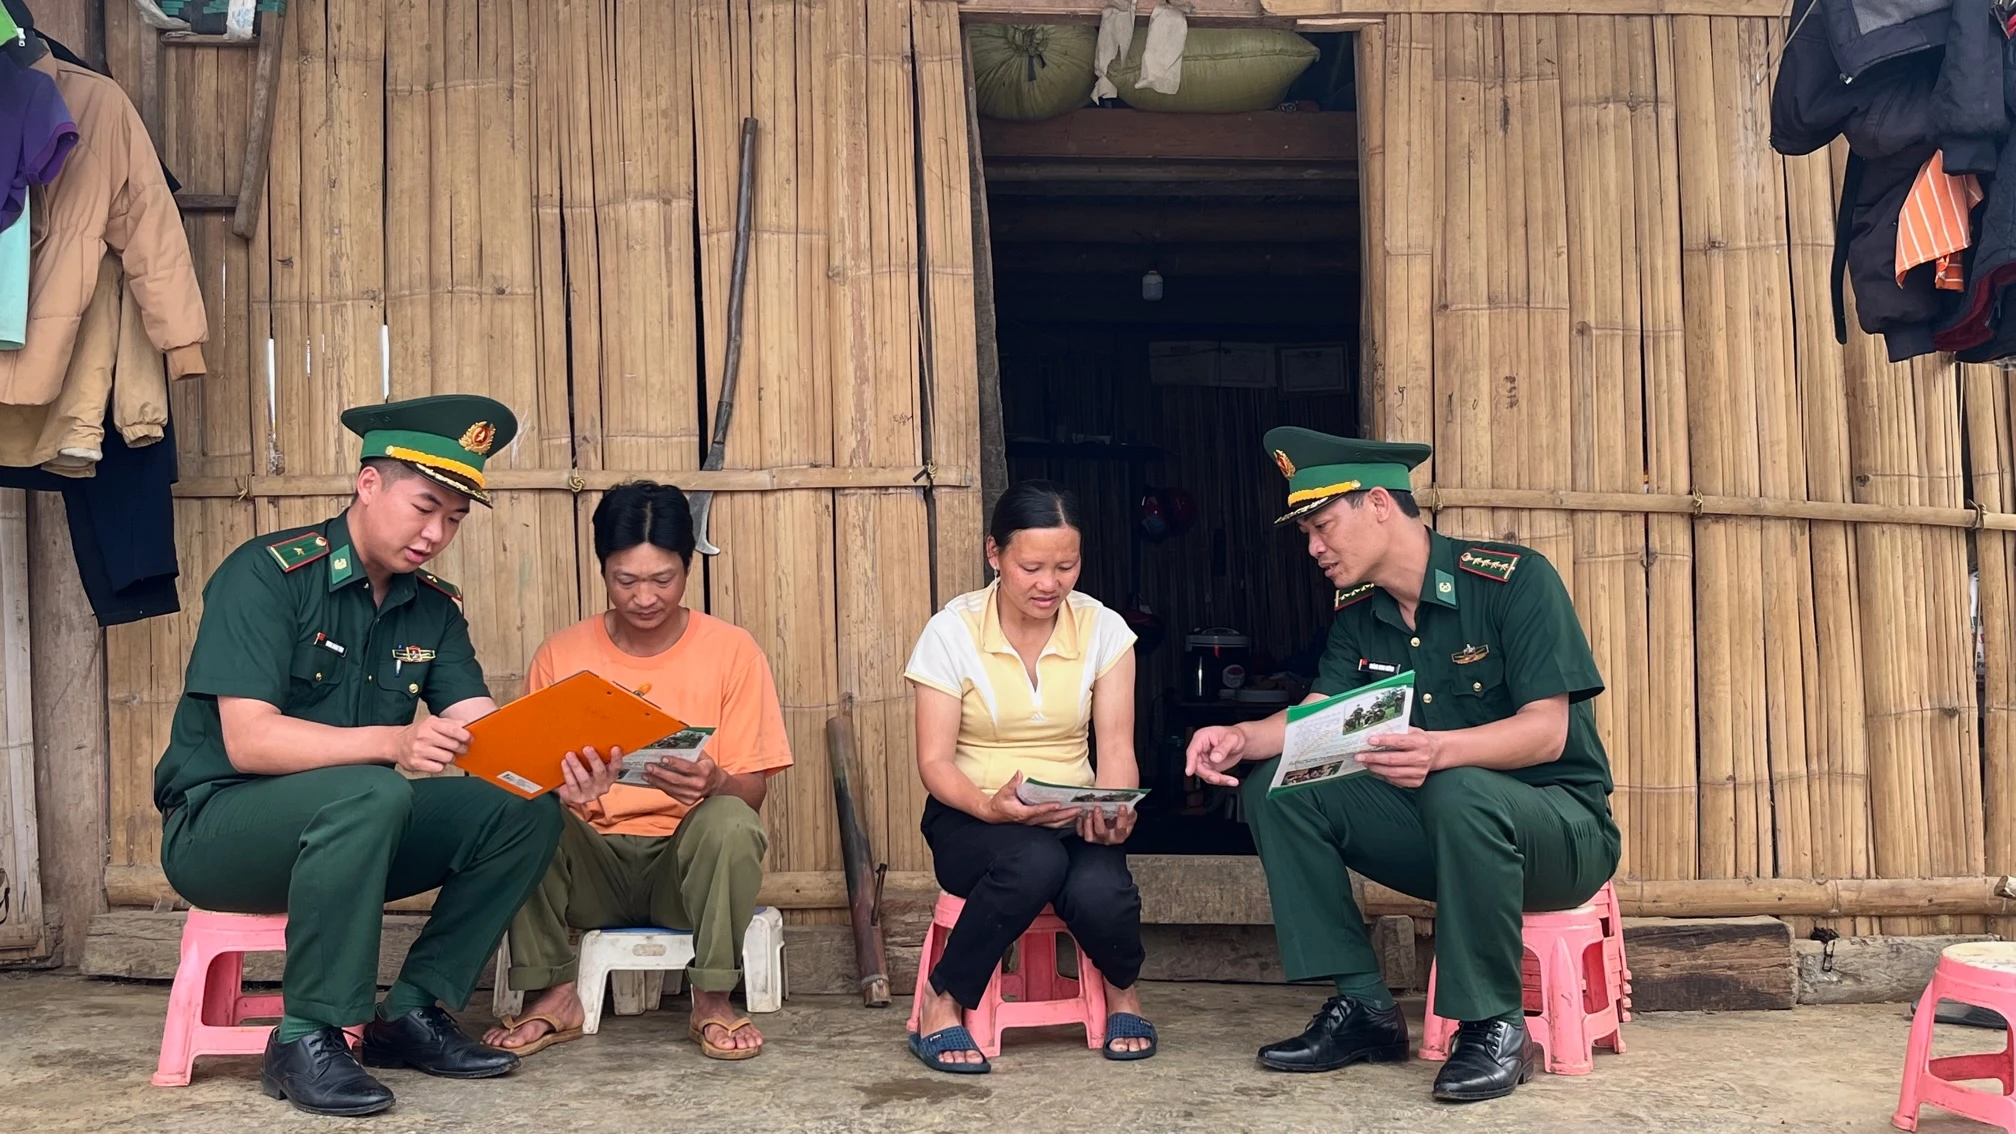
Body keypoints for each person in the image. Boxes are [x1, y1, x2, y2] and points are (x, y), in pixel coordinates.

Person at [154, 395, 622, 1118]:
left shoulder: (432, 606)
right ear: (368, 485)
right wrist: (394, 744)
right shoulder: (267, 575)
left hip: (357, 832)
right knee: (374, 790)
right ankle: (309, 1034)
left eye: (455, 520)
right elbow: (249, 739)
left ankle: (412, 1013)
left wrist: (564, 771)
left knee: (518, 810)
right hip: (219, 832)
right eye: (424, 507)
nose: (436, 534)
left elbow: (485, 734)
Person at [1185, 428, 1621, 1104]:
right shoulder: (1361, 614)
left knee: (1456, 787)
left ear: (1381, 505)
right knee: (1279, 787)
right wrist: (1241, 737)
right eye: (1306, 534)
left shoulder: (1512, 582)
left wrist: (1441, 749)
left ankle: (1494, 1026)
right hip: (1447, 836)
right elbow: (1317, 718)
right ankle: (1365, 1009)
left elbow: (1546, 733)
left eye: (1324, 526)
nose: (1314, 548)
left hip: (1561, 833)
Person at [482, 481, 792, 1061]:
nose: (645, 597)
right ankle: (553, 992)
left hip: (681, 872)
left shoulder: (732, 652)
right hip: (589, 869)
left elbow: (753, 790)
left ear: (688, 568)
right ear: (603, 571)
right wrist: (562, 788)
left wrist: (717, 783)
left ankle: (714, 998)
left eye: (662, 579)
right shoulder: (562, 654)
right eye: (627, 580)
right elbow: (519, 777)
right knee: (515, 809)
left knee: (728, 818)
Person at [901, 481, 1156, 1074]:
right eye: (1032, 566)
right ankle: (944, 1002)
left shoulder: (1105, 630)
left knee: (1100, 887)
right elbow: (935, 763)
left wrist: (1115, 808)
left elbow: (1116, 747)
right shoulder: (952, 631)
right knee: (1032, 862)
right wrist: (992, 808)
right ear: (995, 554)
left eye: (1066, 566)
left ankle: (1123, 992)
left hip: (1072, 813)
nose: (1050, 584)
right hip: (971, 817)